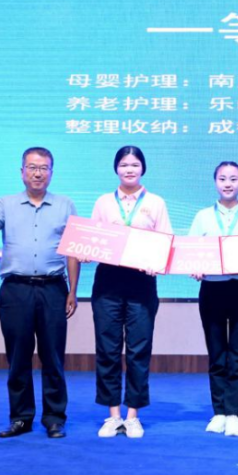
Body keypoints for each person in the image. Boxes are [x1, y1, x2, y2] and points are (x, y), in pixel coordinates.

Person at [0, 147, 79, 440]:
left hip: (53, 288)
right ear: (22, 172)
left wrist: (73, 291)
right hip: (16, 290)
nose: (38, 173)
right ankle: (21, 418)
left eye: (44, 168)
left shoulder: (65, 205)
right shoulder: (5, 204)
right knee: (18, 357)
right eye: (32, 167)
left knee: (53, 357)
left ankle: (54, 419)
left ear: (51, 172)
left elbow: (73, 251)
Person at [88, 145, 173, 439]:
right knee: (107, 348)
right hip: (108, 280)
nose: (129, 169)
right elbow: (92, 238)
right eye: (124, 164)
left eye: (135, 164)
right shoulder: (103, 202)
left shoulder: (156, 203)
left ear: (143, 168)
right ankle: (113, 415)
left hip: (141, 281)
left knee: (139, 349)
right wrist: (85, 251)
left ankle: (133, 415)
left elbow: (166, 241)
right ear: (116, 168)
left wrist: (156, 262)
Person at [188, 161, 238, 438]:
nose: (228, 183)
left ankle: (234, 414)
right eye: (222, 178)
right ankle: (219, 412)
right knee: (217, 353)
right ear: (215, 182)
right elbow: (191, 251)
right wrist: (195, 267)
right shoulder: (202, 217)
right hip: (212, 289)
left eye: (233, 178)